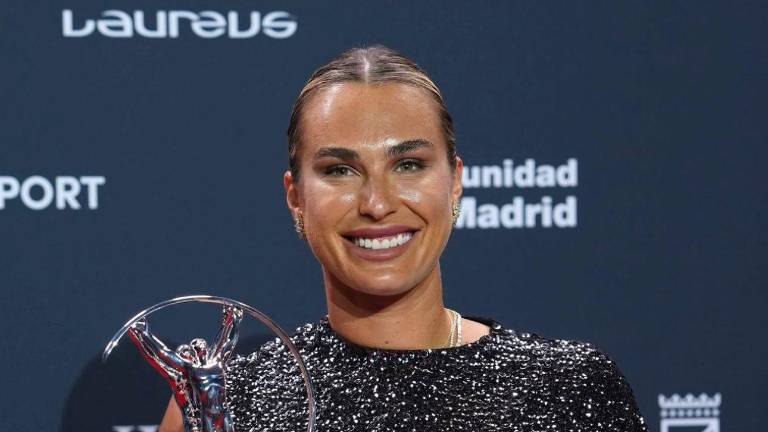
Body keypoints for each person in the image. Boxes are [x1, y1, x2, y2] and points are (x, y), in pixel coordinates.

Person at [157, 45, 648, 432]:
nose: (376, 202)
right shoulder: (226, 406)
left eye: (408, 165)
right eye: (340, 170)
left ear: (453, 182)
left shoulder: (569, 389)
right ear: (295, 199)